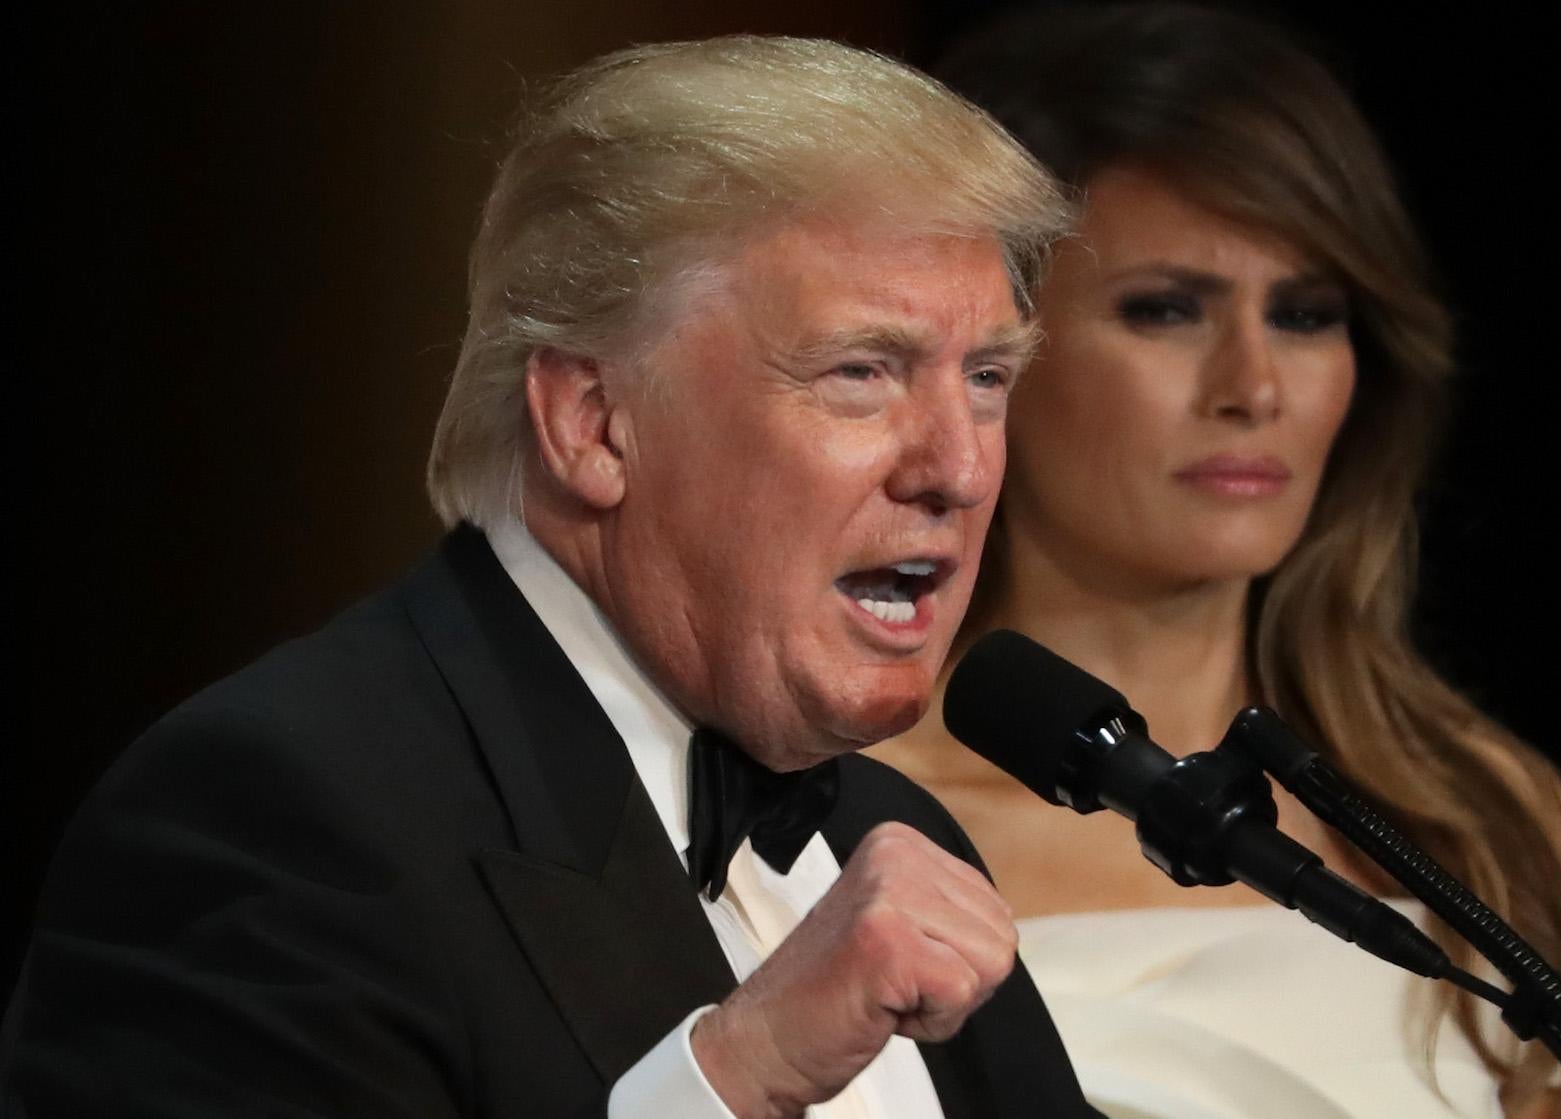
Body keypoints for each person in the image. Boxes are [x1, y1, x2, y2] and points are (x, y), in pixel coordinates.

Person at [2, 37, 1096, 1118]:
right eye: (862, 371)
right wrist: (733, 1081)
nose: (957, 467)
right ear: (592, 425)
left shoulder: (884, 833)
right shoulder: (276, 814)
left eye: (988, 378)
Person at [866, 7, 1561, 1118]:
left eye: (1305, 315)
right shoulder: (839, 822)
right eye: (1165, 309)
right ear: (987, 360)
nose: (1253, 387)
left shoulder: (1475, 815)